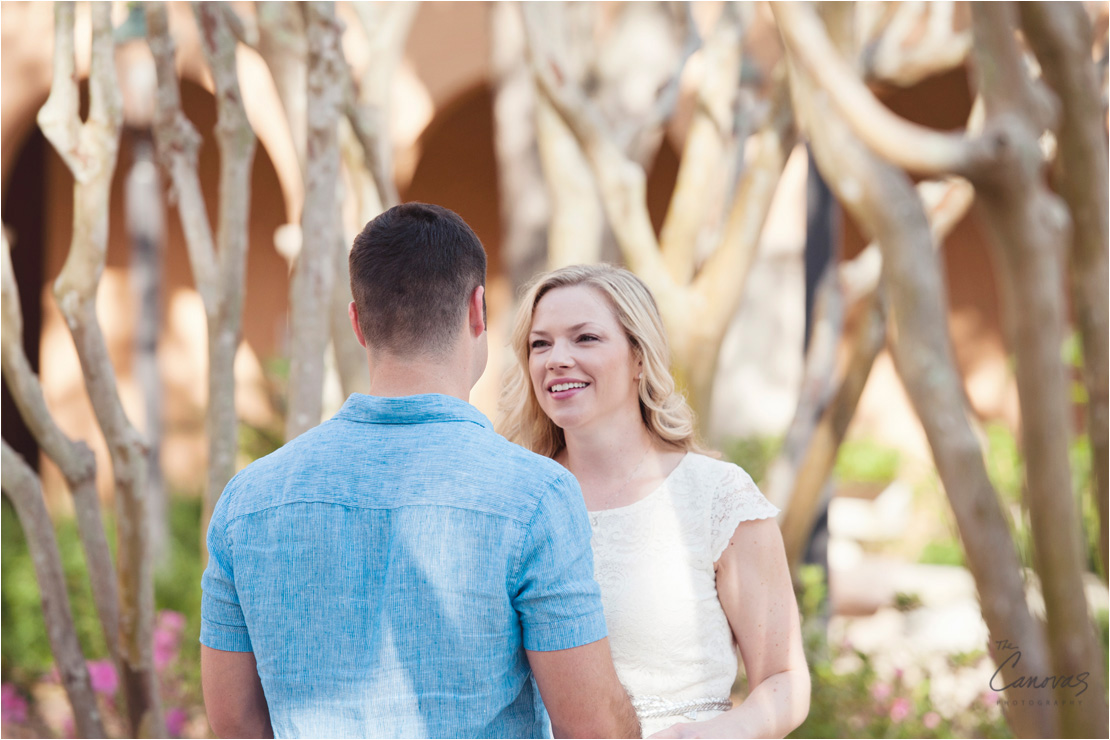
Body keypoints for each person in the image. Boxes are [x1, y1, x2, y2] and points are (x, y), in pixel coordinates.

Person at [200, 204, 640, 739]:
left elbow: (234, 724)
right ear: (478, 310)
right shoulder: (535, 496)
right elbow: (594, 730)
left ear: (358, 323)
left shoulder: (247, 500)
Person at [498, 264, 811, 738]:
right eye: (540, 343)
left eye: (585, 338)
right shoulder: (513, 500)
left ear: (639, 358)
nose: (556, 358)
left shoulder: (717, 497)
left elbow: (785, 681)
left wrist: (703, 736)